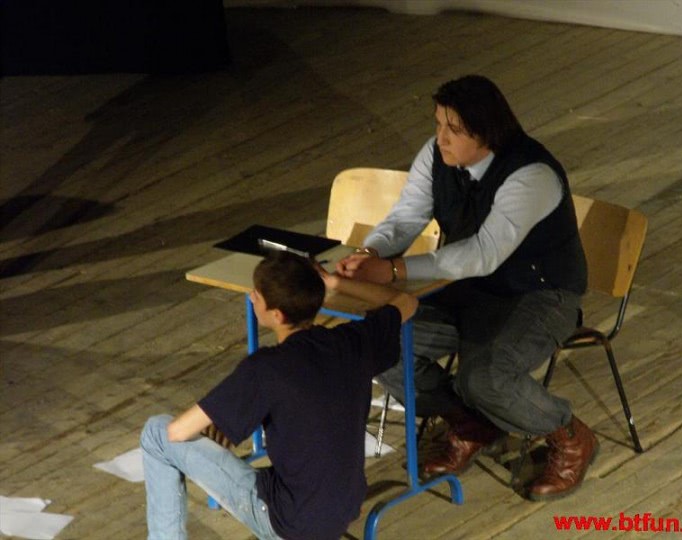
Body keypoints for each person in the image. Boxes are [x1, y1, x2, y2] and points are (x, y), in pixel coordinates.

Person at [336, 75, 598, 501]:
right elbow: (406, 217)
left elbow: (484, 253)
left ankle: (568, 434)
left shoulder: (531, 174)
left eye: (453, 129)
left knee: (486, 378)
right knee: (378, 342)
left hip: (538, 293)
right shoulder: (436, 154)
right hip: (465, 289)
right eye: (439, 124)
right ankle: (471, 423)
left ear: (486, 132)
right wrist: (371, 253)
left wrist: (394, 270)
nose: (440, 138)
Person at [140, 251, 418, 540]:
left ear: (277, 315)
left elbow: (177, 432)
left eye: (257, 295)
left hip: (291, 523)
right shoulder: (352, 341)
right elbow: (406, 302)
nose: (251, 297)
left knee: (156, 433)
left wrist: (221, 414)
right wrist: (334, 283)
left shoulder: (267, 368)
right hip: (343, 508)